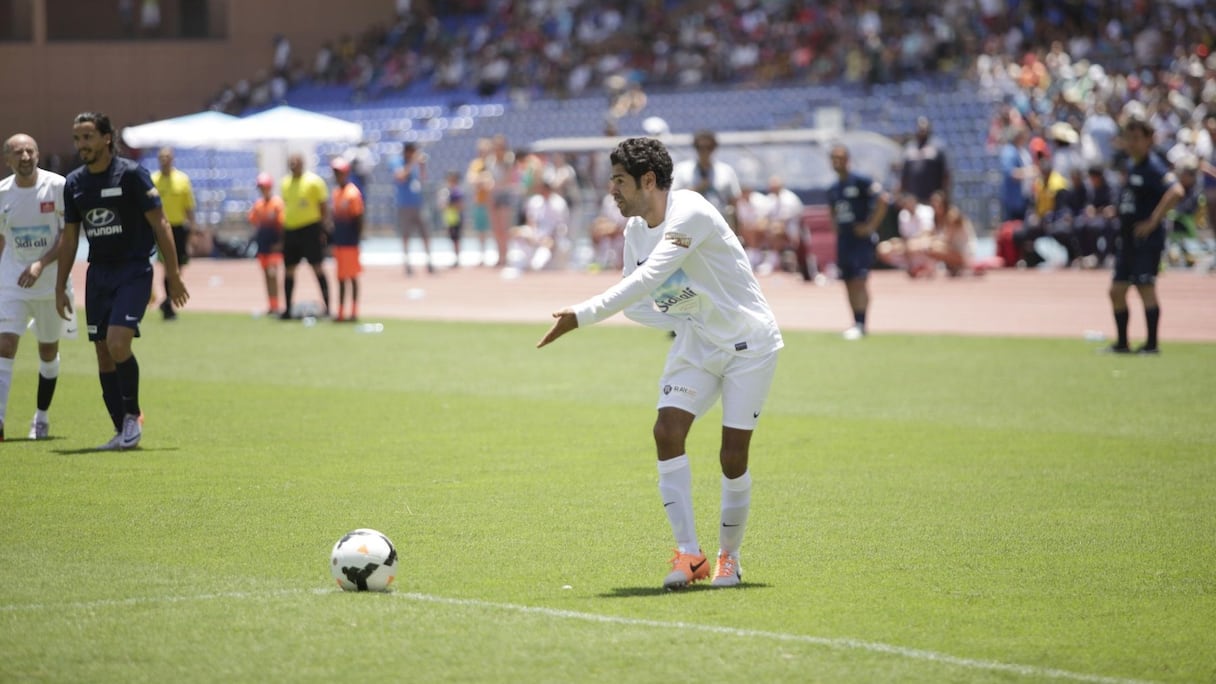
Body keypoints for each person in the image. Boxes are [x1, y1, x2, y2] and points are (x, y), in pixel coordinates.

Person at [537, 137, 783, 590]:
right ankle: (690, 556)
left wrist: (582, 315)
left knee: (732, 455)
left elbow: (649, 279)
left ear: (648, 181)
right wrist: (681, 311)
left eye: (619, 181)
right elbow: (637, 302)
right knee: (666, 431)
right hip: (697, 342)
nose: (612, 189)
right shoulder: (635, 231)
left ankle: (730, 558)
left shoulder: (689, 211)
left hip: (750, 343)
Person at [54, 111, 189, 450]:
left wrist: (172, 275)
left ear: (106, 138)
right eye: (77, 138)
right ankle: (122, 430)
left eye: (87, 137)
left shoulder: (132, 175)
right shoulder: (74, 183)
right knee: (102, 353)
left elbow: (162, 225)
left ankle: (131, 417)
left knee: (117, 344)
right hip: (98, 273)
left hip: (133, 270)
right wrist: (59, 286)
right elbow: (70, 239)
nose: (81, 144)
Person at [0, 134, 72, 441]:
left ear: (38, 154)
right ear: (8, 160)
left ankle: (41, 417)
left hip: (52, 284)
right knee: (4, 346)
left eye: (30, 151)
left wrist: (41, 263)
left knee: (48, 351)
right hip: (12, 282)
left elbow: (68, 236)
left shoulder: (58, 186)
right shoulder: (2, 193)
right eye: (18, 153)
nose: (25, 156)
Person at [1105, 117, 1184, 355]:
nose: (1131, 143)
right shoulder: (1131, 165)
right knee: (1116, 290)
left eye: (1137, 138)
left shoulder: (1154, 165)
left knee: (1144, 287)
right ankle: (1122, 343)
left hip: (1145, 239)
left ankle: (1151, 345)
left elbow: (1176, 191)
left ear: (1149, 140)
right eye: (1128, 138)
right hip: (1127, 238)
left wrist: (1153, 220)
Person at [826, 144, 888, 340]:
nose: (837, 162)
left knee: (859, 281)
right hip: (844, 240)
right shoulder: (834, 188)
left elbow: (883, 200)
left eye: (840, 157)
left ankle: (862, 323)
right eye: (834, 158)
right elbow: (833, 211)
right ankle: (855, 322)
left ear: (847, 159)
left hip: (860, 240)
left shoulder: (861, 181)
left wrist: (870, 226)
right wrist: (835, 225)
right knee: (848, 281)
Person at [279, 152, 331, 320]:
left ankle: (328, 307)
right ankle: (287, 309)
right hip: (291, 230)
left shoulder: (314, 182)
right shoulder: (285, 183)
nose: (293, 165)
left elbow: (323, 206)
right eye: (291, 163)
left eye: (296, 162)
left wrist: (322, 229)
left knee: (317, 267)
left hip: (310, 229)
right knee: (289, 270)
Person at [150, 146, 195, 320]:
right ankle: (168, 302)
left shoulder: (182, 180)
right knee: (168, 266)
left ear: (173, 159)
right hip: (160, 228)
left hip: (178, 228)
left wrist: (192, 229)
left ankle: (168, 299)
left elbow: (189, 207)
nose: (164, 160)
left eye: (167, 157)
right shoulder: (153, 180)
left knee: (178, 266)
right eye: (161, 157)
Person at [671, 130, 742, 234]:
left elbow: (734, 204)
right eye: (700, 147)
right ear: (695, 148)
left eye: (709, 147)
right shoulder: (682, 170)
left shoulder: (726, 171)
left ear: (714, 148)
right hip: (690, 226)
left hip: (718, 226)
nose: (705, 151)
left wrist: (737, 233)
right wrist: (697, 188)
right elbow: (673, 198)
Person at [329, 158, 364, 322]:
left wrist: (356, 239)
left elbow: (358, 218)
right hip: (340, 242)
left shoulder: (352, 193)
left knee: (352, 277)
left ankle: (354, 311)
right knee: (341, 278)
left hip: (350, 242)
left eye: (339, 172)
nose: (337, 176)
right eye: (335, 173)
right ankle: (341, 312)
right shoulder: (336, 193)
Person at [392, 142, 432, 275]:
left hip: (418, 204)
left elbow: (424, 179)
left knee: (425, 234)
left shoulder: (415, 165)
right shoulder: (398, 162)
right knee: (406, 235)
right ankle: (407, 263)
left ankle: (429, 261)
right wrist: (412, 163)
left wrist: (422, 167)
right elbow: (400, 176)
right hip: (404, 205)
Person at [248, 172, 284, 314]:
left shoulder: (277, 204)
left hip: (274, 245)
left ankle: (276, 305)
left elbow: (282, 225)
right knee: (266, 275)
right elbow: (253, 221)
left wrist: (280, 242)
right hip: (263, 245)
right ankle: (271, 304)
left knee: (272, 273)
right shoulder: (258, 205)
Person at [899, 116, 950, 204]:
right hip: (912, 201)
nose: (922, 130)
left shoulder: (937, 148)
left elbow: (945, 175)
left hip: (932, 201)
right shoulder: (909, 148)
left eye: (924, 127)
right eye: (920, 127)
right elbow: (904, 176)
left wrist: (944, 195)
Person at [437, 171, 465, 268]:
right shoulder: (446, 192)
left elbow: (460, 206)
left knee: (456, 239)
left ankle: (457, 258)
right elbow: (441, 206)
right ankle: (455, 257)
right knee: (452, 239)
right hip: (449, 218)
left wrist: (449, 205)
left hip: (455, 218)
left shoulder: (457, 192)